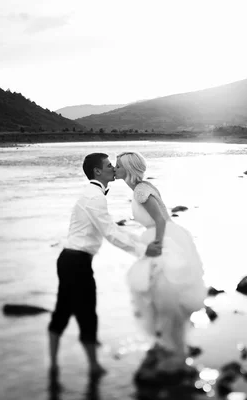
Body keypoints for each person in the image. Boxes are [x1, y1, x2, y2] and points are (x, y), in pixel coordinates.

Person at [47, 153, 162, 377]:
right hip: (76, 262)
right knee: (86, 313)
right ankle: (93, 367)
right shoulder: (94, 197)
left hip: (72, 259)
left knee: (65, 309)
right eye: (109, 165)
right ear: (98, 172)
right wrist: (142, 249)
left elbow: (110, 228)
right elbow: (110, 232)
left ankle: (55, 364)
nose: (113, 168)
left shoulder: (93, 193)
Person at [114, 151, 207, 372]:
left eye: (118, 165)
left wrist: (156, 246)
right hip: (166, 236)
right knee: (157, 296)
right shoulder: (142, 187)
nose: (114, 169)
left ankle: (172, 350)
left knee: (164, 297)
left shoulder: (140, 191)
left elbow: (160, 219)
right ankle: (170, 346)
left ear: (128, 168)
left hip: (163, 240)